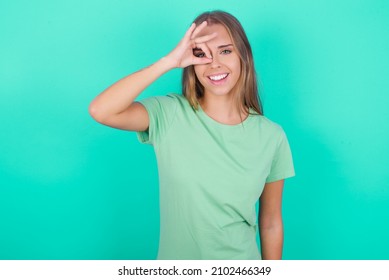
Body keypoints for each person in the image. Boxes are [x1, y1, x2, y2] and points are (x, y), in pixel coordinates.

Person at [89, 10, 295, 260]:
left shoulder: (272, 136)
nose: (214, 63)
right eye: (201, 54)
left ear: (244, 56)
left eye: (225, 51)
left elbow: (271, 222)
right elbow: (101, 110)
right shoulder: (169, 114)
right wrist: (169, 61)